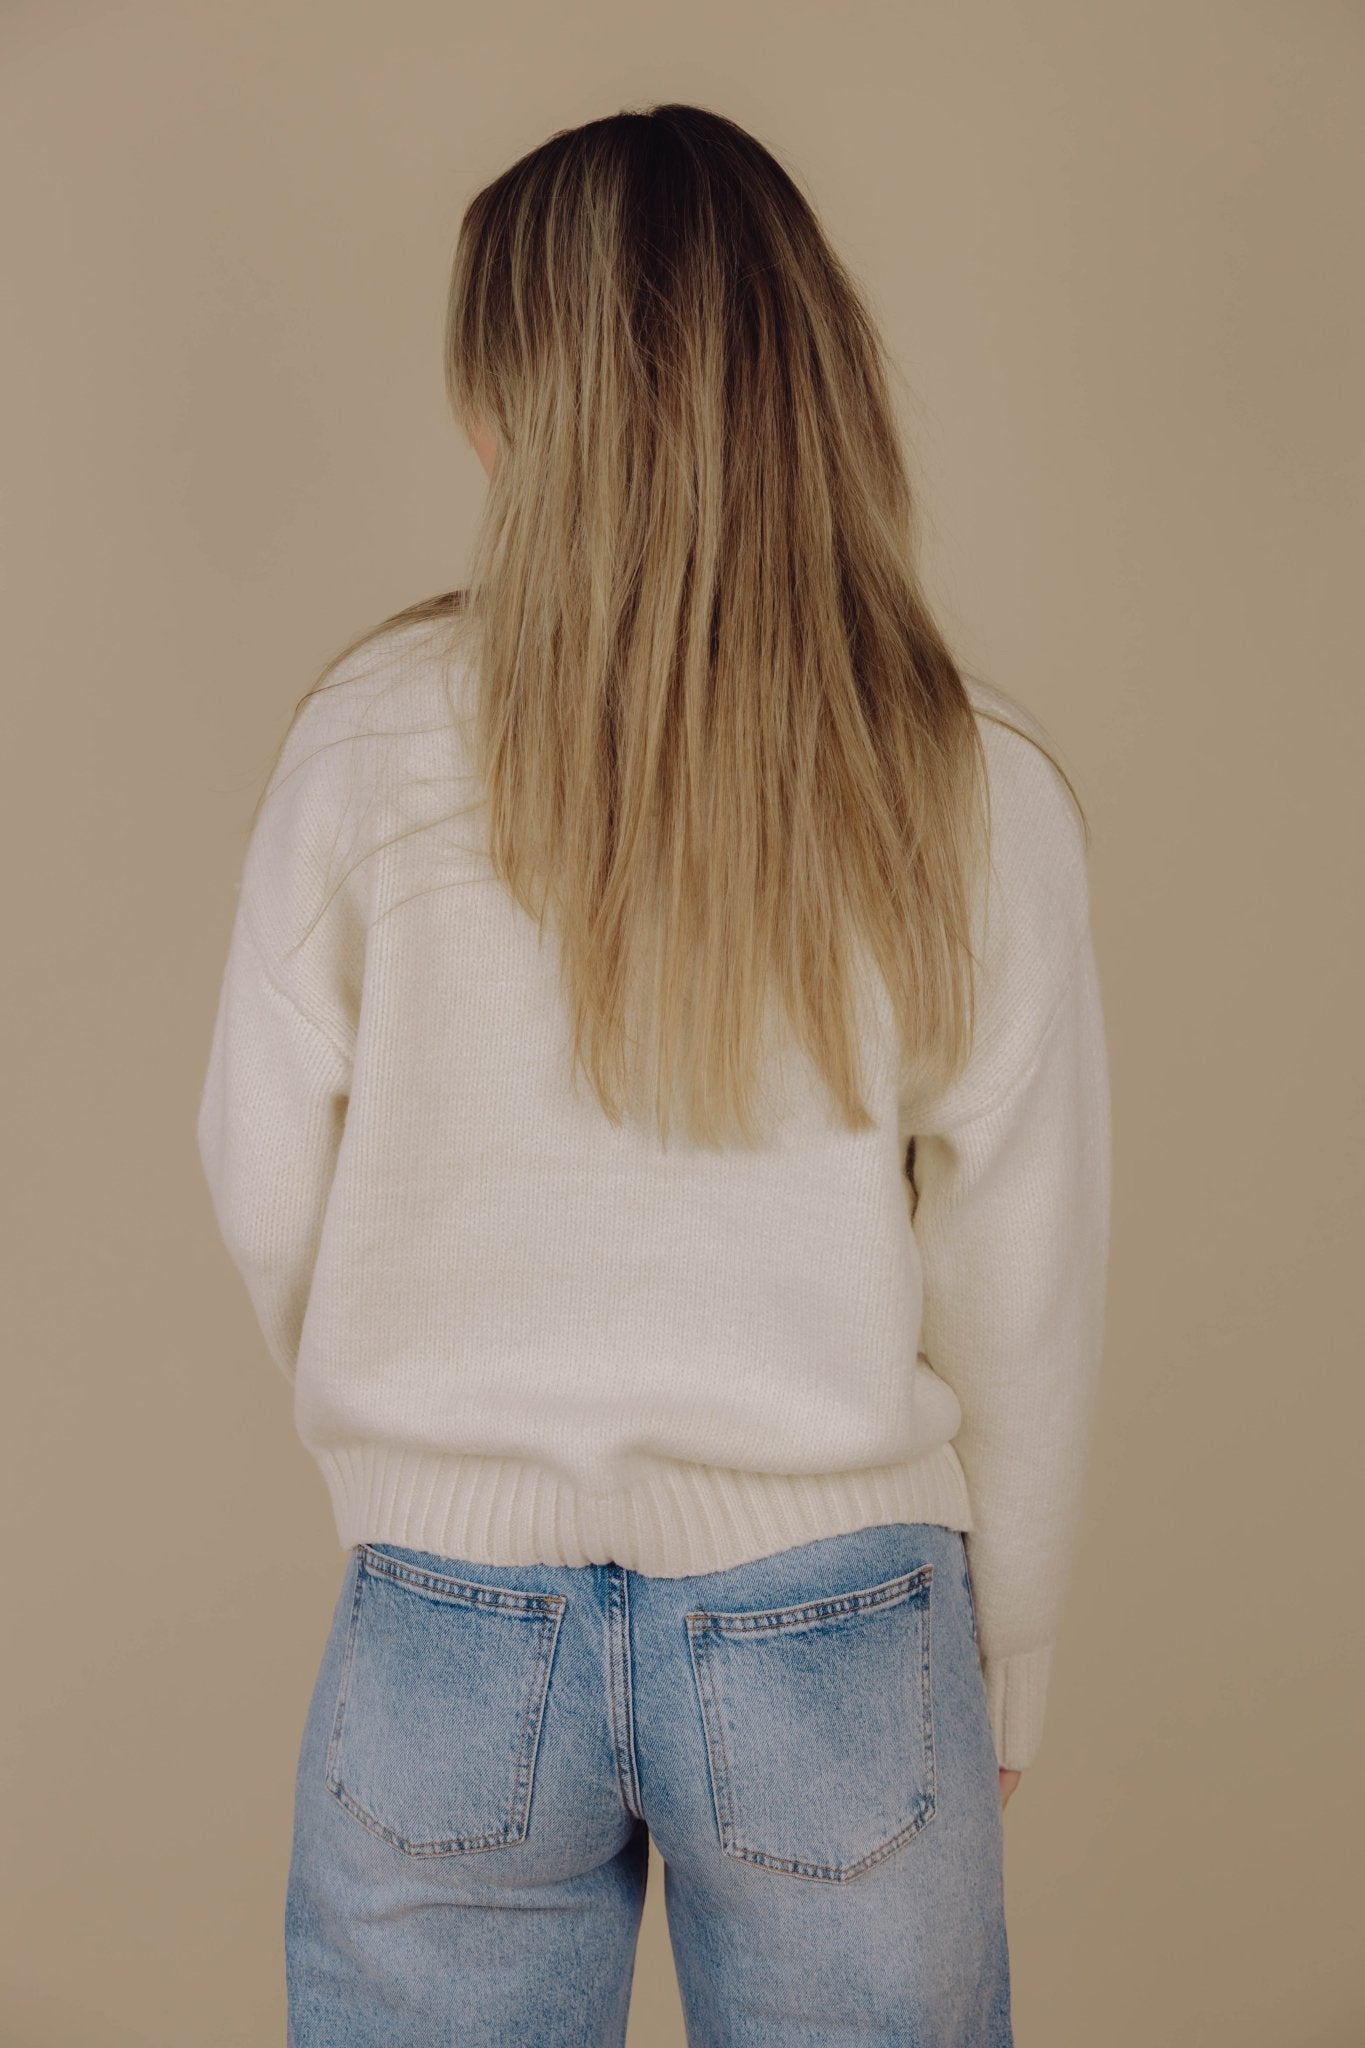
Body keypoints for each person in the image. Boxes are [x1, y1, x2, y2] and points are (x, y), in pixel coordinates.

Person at [196, 101, 1111, 2048]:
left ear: (503, 408)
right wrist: (1010, 1642)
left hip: (446, 1615)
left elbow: (259, 1175)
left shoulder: (368, 743)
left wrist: (415, 1443)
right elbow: (1021, 1273)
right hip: (839, 1619)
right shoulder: (963, 779)